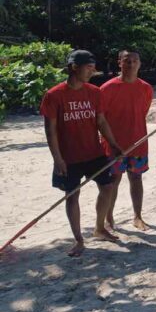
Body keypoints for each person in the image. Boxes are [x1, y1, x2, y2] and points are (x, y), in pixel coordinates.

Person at [40, 49, 123, 256]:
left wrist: (113, 143)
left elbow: (101, 121)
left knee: (108, 186)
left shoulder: (94, 92)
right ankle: (78, 239)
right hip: (69, 157)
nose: (92, 71)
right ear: (74, 67)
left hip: (93, 152)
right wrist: (57, 159)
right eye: (88, 67)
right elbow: (50, 131)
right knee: (72, 196)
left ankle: (99, 228)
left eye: (93, 68)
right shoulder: (54, 95)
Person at [100, 49, 153, 232]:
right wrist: (111, 143)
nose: (131, 64)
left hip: (138, 142)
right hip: (113, 145)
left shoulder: (146, 88)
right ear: (119, 63)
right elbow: (100, 120)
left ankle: (138, 216)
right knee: (113, 180)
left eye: (134, 61)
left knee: (136, 178)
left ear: (139, 63)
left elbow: (142, 113)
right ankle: (109, 217)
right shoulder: (107, 88)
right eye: (127, 61)